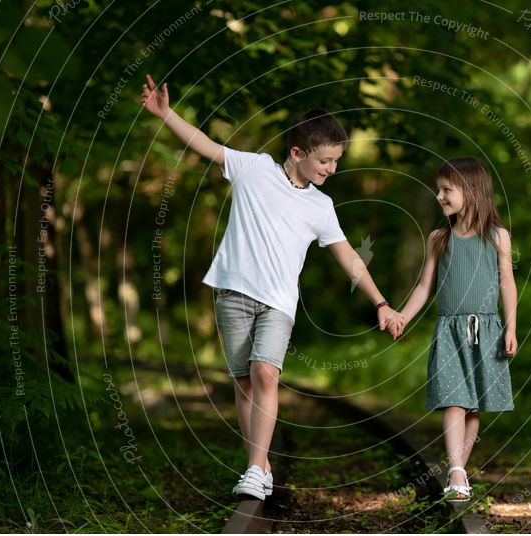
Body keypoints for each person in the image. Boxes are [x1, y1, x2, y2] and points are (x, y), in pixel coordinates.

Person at [140, 74, 405, 500]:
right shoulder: (253, 169)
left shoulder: (322, 206)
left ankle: (256, 468)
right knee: (245, 383)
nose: (332, 170)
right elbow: (206, 146)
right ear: (297, 153)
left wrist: (381, 303)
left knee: (266, 372)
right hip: (232, 293)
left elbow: (350, 257)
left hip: (279, 303)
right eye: (325, 162)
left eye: (337, 162)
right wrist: (166, 113)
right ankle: (257, 466)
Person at [397, 157, 517, 501]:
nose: (439, 196)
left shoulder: (498, 237)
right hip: (450, 331)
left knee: (473, 405)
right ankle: (456, 470)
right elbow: (423, 287)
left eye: (446, 189)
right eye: (439, 189)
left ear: (472, 191)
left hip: (487, 330)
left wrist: (510, 328)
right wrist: (403, 316)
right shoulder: (439, 238)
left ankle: (457, 471)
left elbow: (507, 284)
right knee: (454, 401)